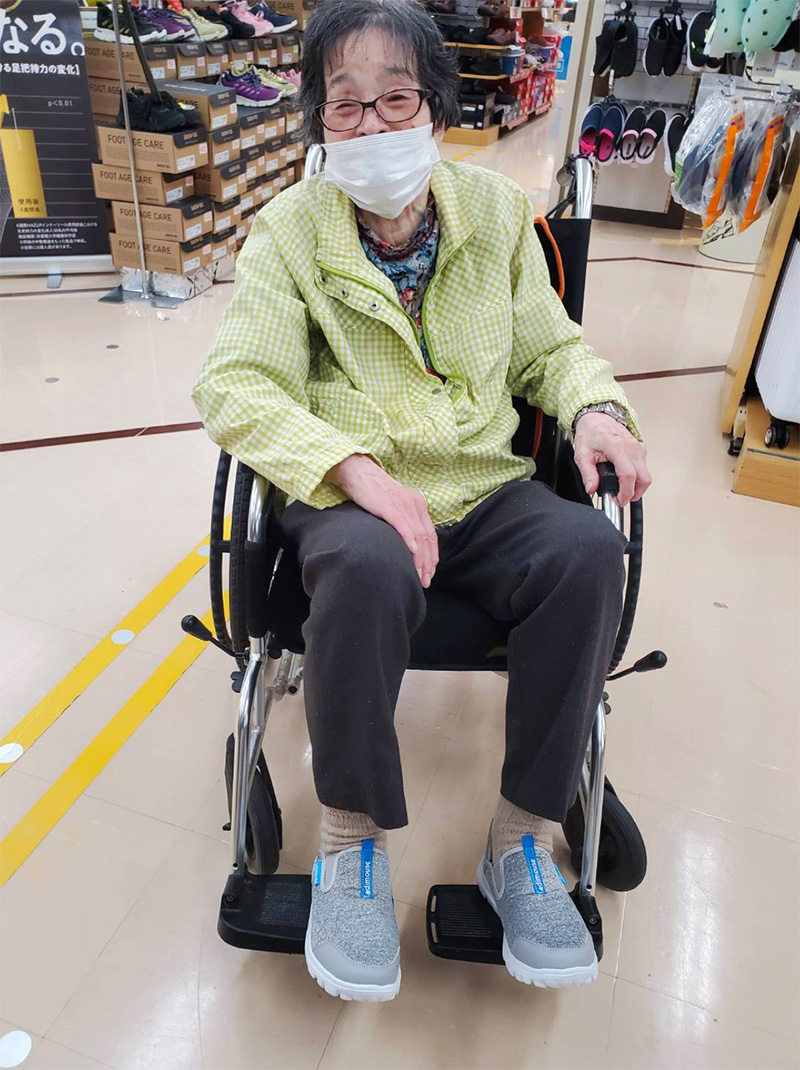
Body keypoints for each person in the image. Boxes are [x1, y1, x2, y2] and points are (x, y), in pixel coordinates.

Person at [193, 0, 651, 1003]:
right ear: (318, 120)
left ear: (436, 109)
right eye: (345, 103)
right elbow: (236, 385)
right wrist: (355, 473)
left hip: (482, 486)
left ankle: (521, 839)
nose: (371, 124)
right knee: (362, 567)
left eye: (395, 99)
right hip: (351, 490)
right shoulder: (289, 232)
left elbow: (549, 347)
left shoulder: (496, 215)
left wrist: (593, 412)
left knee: (586, 553)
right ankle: (350, 842)